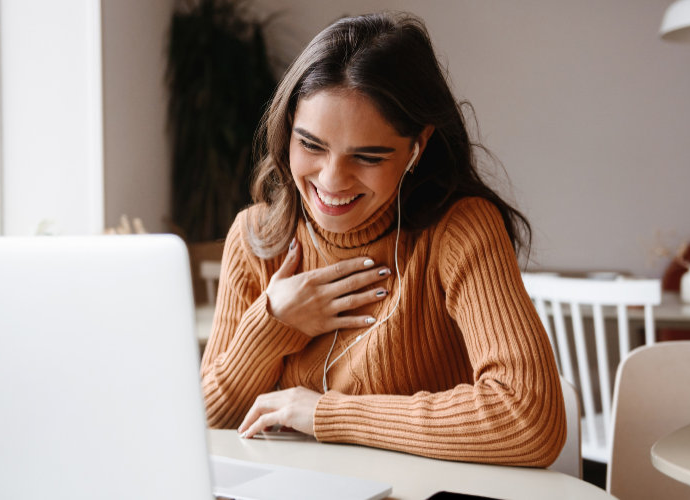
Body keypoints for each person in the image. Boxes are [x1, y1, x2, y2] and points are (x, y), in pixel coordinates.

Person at [200, 11, 564, 468]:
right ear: (288, 126)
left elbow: (529, 419)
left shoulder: (460, 230)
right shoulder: (256, 237)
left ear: (417, 147)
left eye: (368, 156)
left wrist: (326, 414)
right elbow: (203, 424)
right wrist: (274, 323)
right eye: (310, 144)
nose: (331, 181)